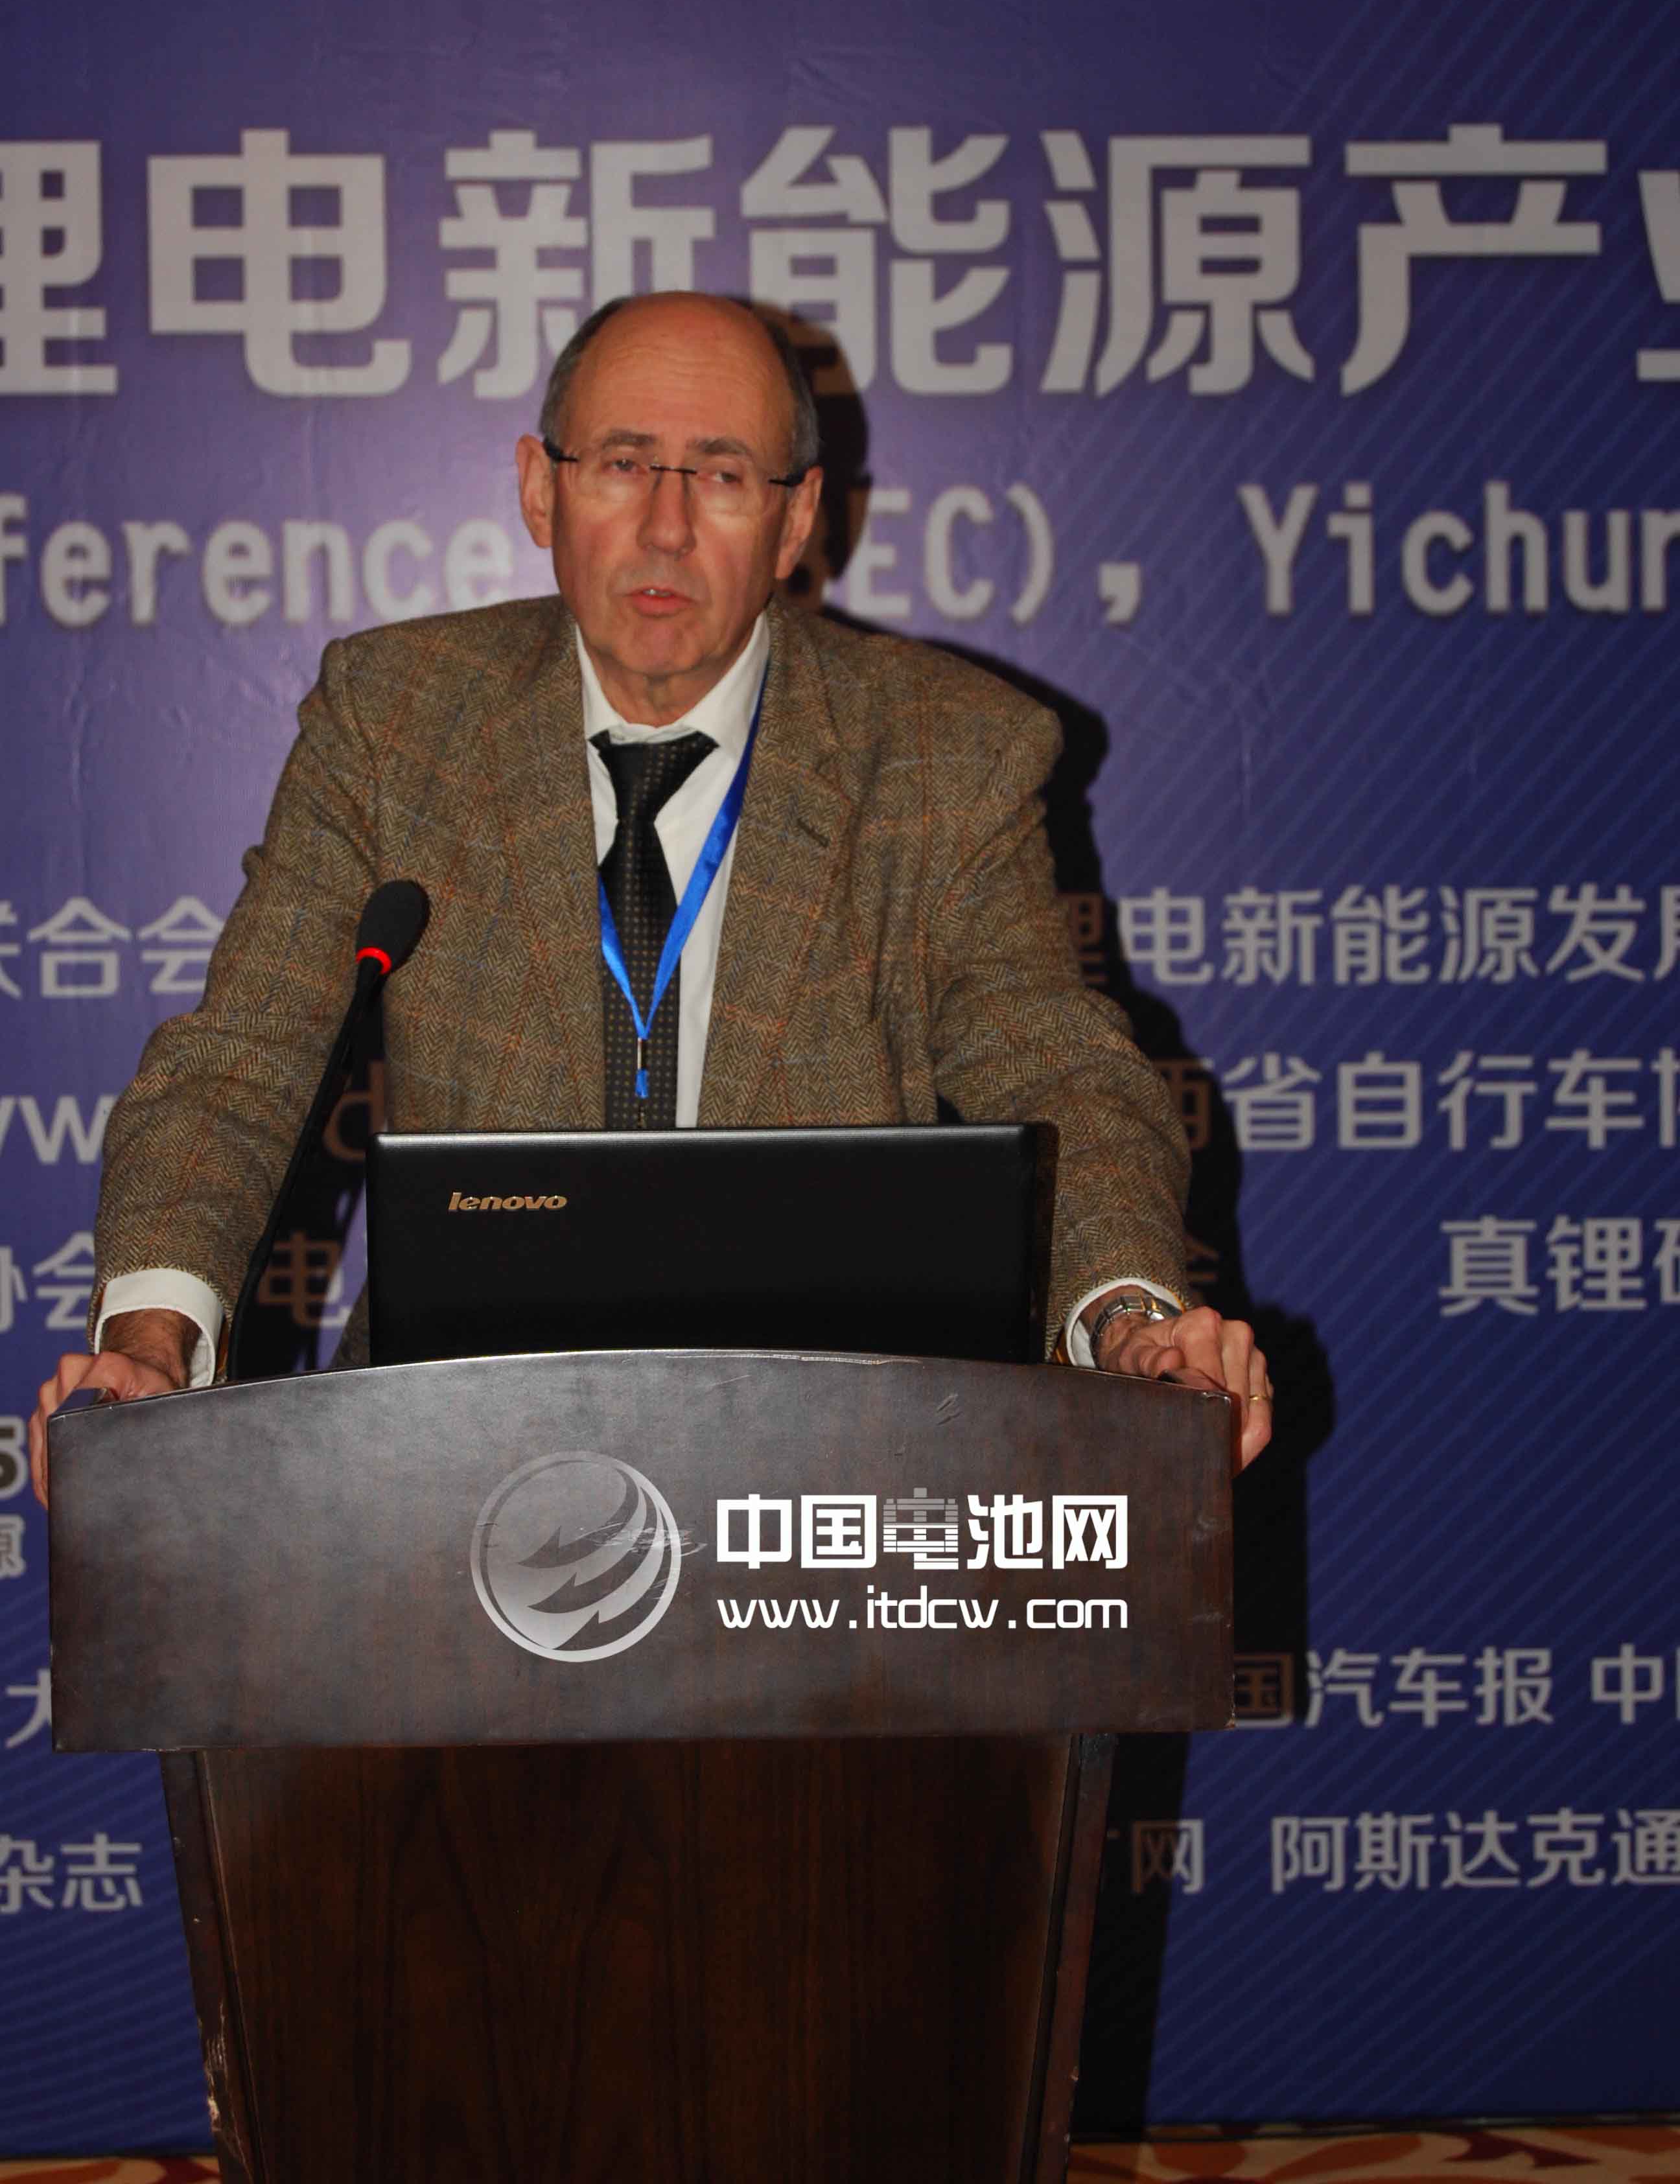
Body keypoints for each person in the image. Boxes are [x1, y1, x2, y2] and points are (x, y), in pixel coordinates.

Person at [30, 292, 1270, 1503]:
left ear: (794, 521)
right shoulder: (395, 718)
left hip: (838, 1456)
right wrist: (153, 1340)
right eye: (623, 464)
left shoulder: (948, 749)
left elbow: (1054, 1064)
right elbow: (243, 1061)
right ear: (540, 488)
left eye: (722, 475)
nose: (666, 528)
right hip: (450, 1445)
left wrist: (1128, 1320)